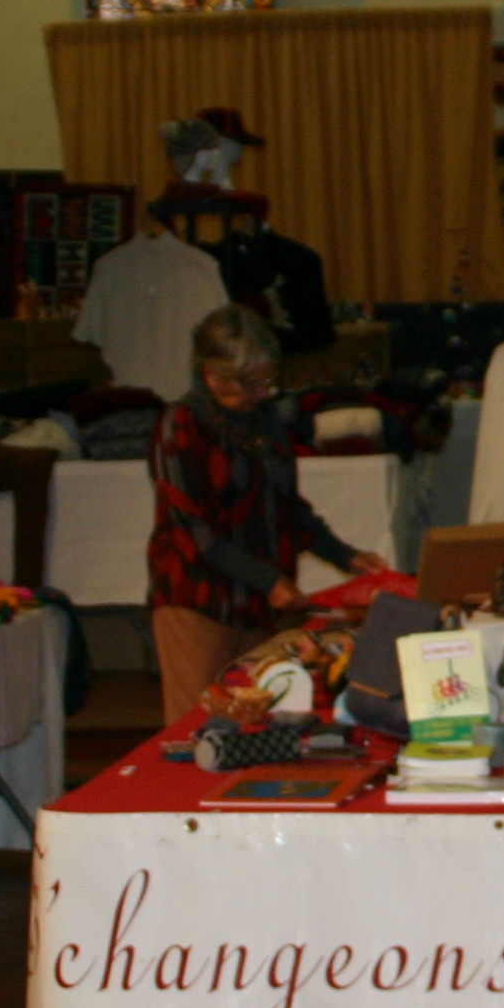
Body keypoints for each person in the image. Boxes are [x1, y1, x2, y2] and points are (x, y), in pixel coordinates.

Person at [147, 305, 387, 720]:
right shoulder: (180, 424)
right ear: (212, 375)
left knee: (262, 719)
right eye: (249, 383)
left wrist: (344, 555)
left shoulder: (264, 417)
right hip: (198, 603)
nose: (261, 393)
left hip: (257, 605)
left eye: (266, 380)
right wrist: (270, 580)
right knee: (199, 725)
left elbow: (286, 505)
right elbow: (194, 530)